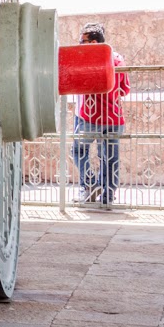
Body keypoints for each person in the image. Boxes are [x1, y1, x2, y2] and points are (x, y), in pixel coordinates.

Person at [69, 23, 130, 208]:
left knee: (78, 151)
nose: (80, 45)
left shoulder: (89, 59)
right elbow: (125, 89)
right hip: (114, 117)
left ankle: (90, 184)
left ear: (93, 42)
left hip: (90, 116)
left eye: (82, 41)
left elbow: (79, 84)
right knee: (110, 158)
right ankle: (107, 196)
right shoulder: (117, 59)